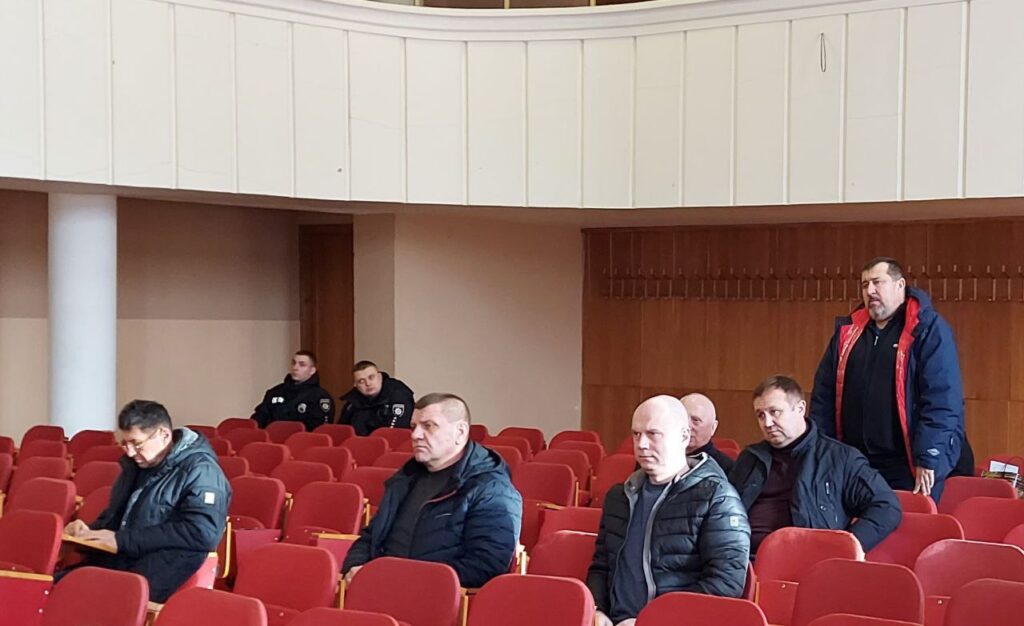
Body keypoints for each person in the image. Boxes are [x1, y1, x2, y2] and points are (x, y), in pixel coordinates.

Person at [811, 257, 965, 501]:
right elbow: (823, 396)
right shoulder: (847, 332)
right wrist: (822, 452)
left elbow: (942, 400)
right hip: (855, 462)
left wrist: (929, 456)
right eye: (865, 285)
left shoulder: (927, 328)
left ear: (899, 285)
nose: (870, 290)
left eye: (877, 282)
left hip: (907, 465)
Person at [587, 396, 750, 626]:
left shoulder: (717, 497)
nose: (642, 444)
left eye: (653, 434)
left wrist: (651, 620)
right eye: (636, 434)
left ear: (684, 436)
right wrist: (598, 609)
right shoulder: (619, 497)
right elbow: (602, 566)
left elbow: (726, 582)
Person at [342, 393, 521, 588]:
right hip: (382, 587)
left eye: (428, 426)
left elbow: (486, 564)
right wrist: (356, 566)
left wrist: (408, 579)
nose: (415, 435)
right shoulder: (405, 479)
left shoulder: (492, 489)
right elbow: (371, 537)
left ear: (460, 432)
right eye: (413, 427)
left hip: (435, 596)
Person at [63, 400, 230, 602]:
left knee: (82, 600)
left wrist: (122, 540)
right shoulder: (137, 465)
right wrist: (87, 533)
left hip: (158, 568)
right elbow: (118, 520)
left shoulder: (202, 472)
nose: (130, 452)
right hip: (120, 561)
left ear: (164, 435)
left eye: (137, 443)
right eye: (125, 444)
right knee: (57, 587)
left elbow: (201, 533)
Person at [730, 376, 901, 556]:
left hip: (805, 559)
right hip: (740, 559)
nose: (767, 423)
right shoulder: (750, 458)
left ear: (800, 409)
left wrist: (847, 545)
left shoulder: (840, 458)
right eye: (761, 415)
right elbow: (723, 509)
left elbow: (886, 507)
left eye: (775, 412)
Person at [251, 350, 335, 431]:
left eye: (302, 365)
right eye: (294, 363)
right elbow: (259, 417)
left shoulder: (320, 396)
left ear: (312, 370)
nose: (295, 368)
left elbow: (319, 428)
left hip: (301, 439)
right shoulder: (275, 392)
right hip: (271, 437)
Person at [339, 360, 415, 436]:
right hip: (360, 442)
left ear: (380, 376)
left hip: (394, 441)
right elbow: (342, 431)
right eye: (361, 381)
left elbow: (396, 431)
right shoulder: (352, 403)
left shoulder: (398, 394)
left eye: (371, 377)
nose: (368, 383)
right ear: (355, 385)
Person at [681, 392, 734, 473]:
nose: (687, 426)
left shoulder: (725, 469)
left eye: (695, 420)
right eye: (682, 418)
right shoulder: (663, 458)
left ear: (713, 427)